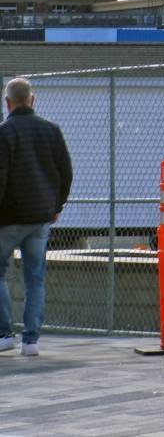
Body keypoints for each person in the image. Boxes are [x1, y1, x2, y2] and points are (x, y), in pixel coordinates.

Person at [0, 77, 73, 358]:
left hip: (7, 218)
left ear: (8, 103)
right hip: (40, 217)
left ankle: (5, 334)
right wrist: (57, 205)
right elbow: (65, 172)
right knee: (35, 279)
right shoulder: (51, 131)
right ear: (33, 99)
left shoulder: (4, 133)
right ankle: (31, 341)